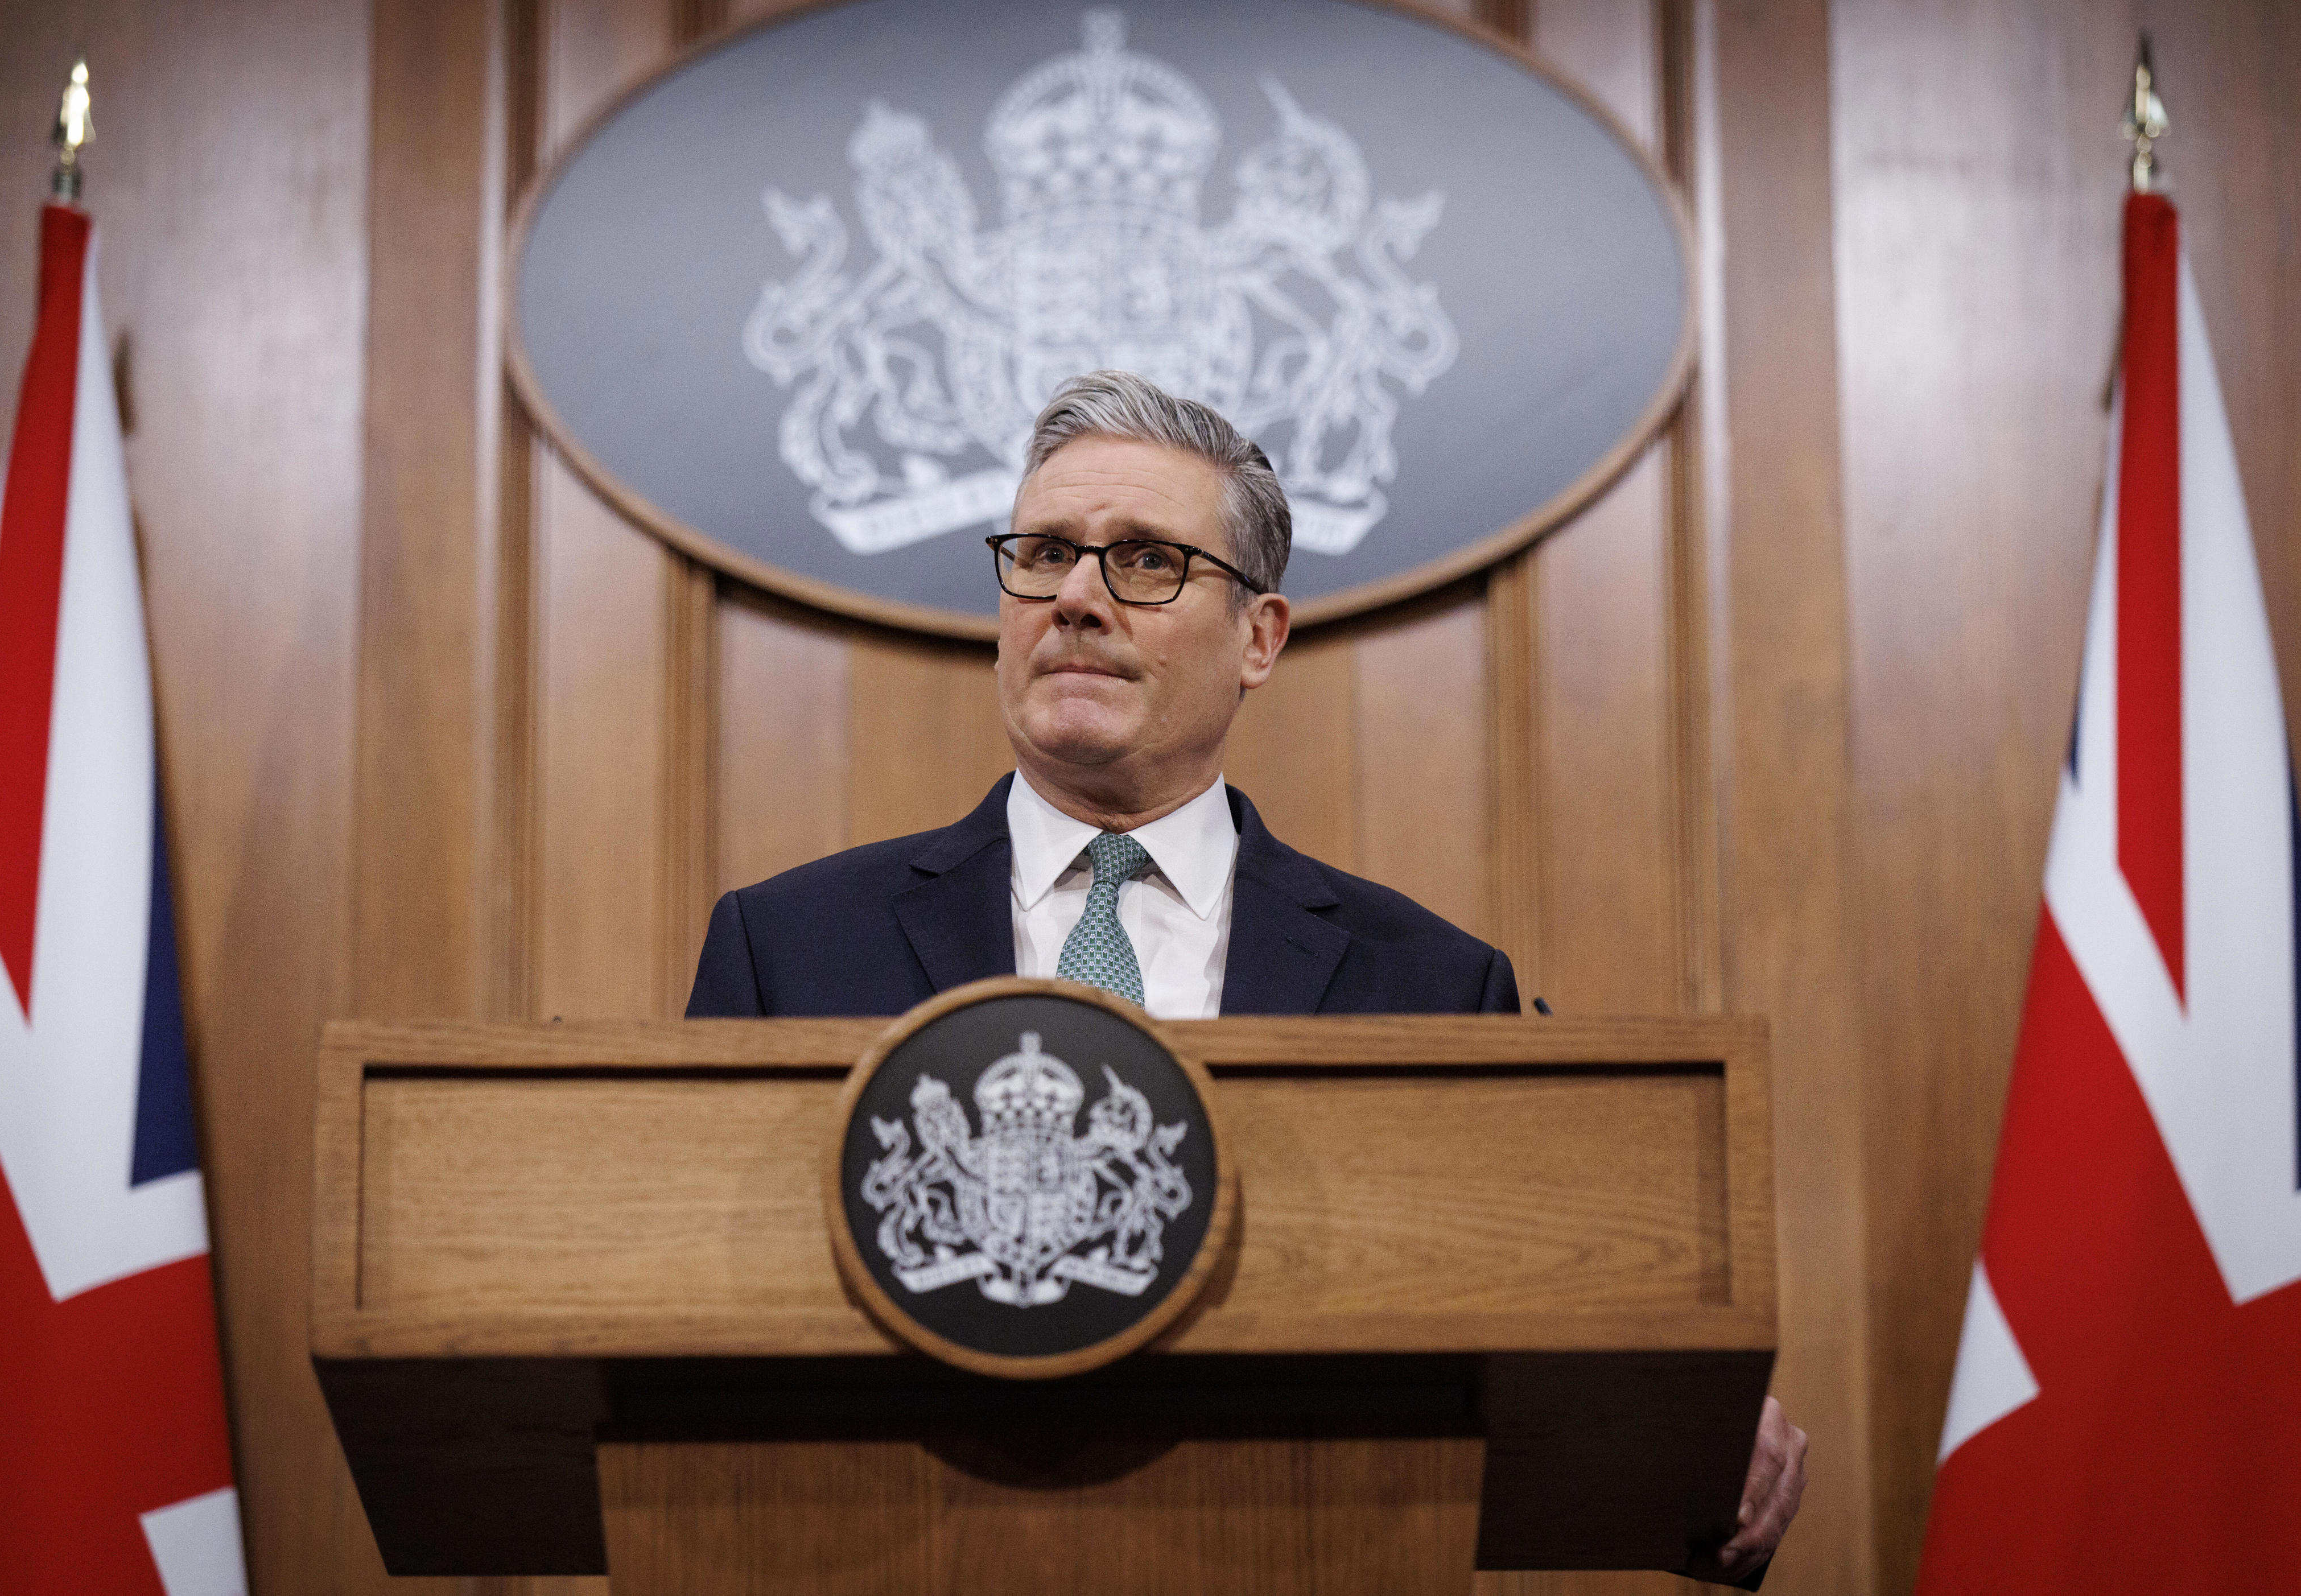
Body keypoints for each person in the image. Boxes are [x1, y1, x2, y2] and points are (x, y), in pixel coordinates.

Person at [686, 370, 1803, 1583]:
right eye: (1045, 552)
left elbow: (1546, 1309)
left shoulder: (1432, 986)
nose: (1074, 598)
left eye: (1147, 561)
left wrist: (1684, 1412)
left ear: (1259, 637)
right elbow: (677, 1301)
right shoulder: (785, 946)